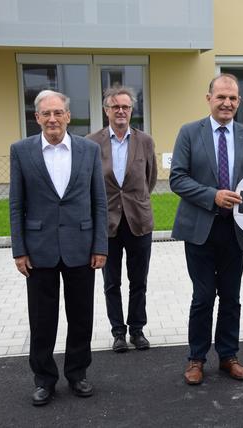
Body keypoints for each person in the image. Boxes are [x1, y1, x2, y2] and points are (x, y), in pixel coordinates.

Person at [9, 90, 108, 406]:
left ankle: (77, 373)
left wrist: (100, 245)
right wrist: (19, 250)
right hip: (39, 251)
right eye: (45, 114)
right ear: (36, 118)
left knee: (81, 316)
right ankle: (44, 379)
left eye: (58, 113)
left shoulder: (88, 150)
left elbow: (99, 202)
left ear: (68, 115)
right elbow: (16, 204)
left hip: (81, 246)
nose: (52, 119)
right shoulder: (21, 151)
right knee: (41, 319)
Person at [169, 74, 243, 385]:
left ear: (239, 102)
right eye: (221, 97)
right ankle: (196, 359)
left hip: (234, 231)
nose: (227, 103)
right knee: (204, 296)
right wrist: (213, 195)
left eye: (233, 98)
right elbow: (177, 178)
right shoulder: (189, 133)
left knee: (232, 297)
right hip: (200, 230)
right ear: (208, 97)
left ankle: (228, 356)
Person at [87, 86, 157, 353]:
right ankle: (118, 332)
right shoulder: (92, 142)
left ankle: (137, 330)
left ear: (131, 110)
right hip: (107, 224)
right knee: (111, 282)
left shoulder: (145, 141)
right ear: (106, 110)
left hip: (138, 221)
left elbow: (149, 180)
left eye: (125, 107)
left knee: (139, 280)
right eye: (115, 106)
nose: (120, 111)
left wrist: (133, 201)